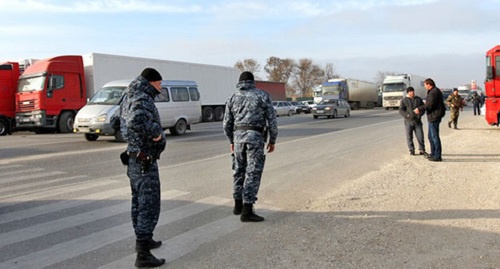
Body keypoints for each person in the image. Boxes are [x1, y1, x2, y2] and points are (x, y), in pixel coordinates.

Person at [120, 68, 166, 268]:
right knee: (148, 204)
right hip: (144, 160)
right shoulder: (142, 97)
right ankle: (143, 254)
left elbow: (119, 121)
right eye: (159, 84)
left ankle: (145, 240)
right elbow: (134, 120)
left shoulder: (129, 95)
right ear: (152, 82)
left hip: (134, 157)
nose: (161, 88)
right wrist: (155, 132)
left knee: (138, 203)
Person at [223, 71, 278, 222]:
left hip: (238, 138)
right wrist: (272, 141)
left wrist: (232, 141)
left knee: (238, 171)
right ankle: (247, 210)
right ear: (253, 82)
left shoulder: (232, 98)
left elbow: (226, 124)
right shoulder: (262, 95)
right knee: (252, 172)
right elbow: (272, 121)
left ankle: (237, 206)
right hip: (255, 138)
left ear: (240, 82)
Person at [414, 78, 446, 162]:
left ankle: (437, 155)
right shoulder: (433, 91)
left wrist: (419, 108)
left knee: (434, 137)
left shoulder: (434, 92)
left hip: (434, 116)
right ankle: (433, 153)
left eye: (425, 85)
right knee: (430, 136)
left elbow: (430, 104)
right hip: (433, 116)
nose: (425, 87)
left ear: (429, 84)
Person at [398, 87, 427, 156]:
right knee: (409, 137)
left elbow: (423, 108)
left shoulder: (418, 99)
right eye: (410, 92)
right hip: (408, 122)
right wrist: (407, 115)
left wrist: (419, 115)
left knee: (420, 136)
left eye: (413, 91)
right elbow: (401, 110)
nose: (412, 93)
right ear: (408, 93)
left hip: (418, 121)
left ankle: (422, 149)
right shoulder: (404, 100)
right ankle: (411, 150)